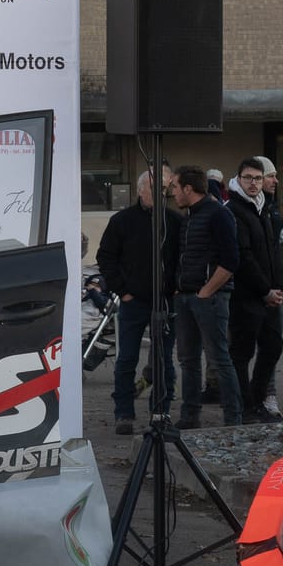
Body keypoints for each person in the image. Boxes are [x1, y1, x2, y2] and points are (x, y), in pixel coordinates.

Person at [96, 167, 180, 435]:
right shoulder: (122, 221)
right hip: (134, 301)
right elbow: (106, 257)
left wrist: (176, 286)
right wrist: (122, 290)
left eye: (166, 188)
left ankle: (161, 411)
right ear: (141, 189)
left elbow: (185, 256)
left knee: (164, 359)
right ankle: (124, 412)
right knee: (127, 358)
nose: (162, 193)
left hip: (165, 301)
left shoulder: (175, 221)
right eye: (156, 187)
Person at [171, 164, 243, 427]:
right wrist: (180, 287)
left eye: (176, 188)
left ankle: (233, 418)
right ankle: (190, 417)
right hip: (187, 296)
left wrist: (206, 291)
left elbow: (231, 260)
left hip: (209, 298)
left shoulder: (217, 214)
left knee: (219, 358)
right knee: (188, 360)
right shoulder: (190, 216)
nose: (173, 194)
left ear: (188, 188)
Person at [225, 158, 283, 423]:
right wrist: (265, 290)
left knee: (272, 345)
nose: (253, 183)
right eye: (248, 178)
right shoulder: (234, 210)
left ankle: (257, 399)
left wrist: (277, 289)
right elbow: (244, 257)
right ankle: (246, 408)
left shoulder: (263, 209)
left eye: (258, 178)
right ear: (238, 179)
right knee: (242, 353)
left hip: (269, 295)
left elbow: (272, 253)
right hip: (245, 295)